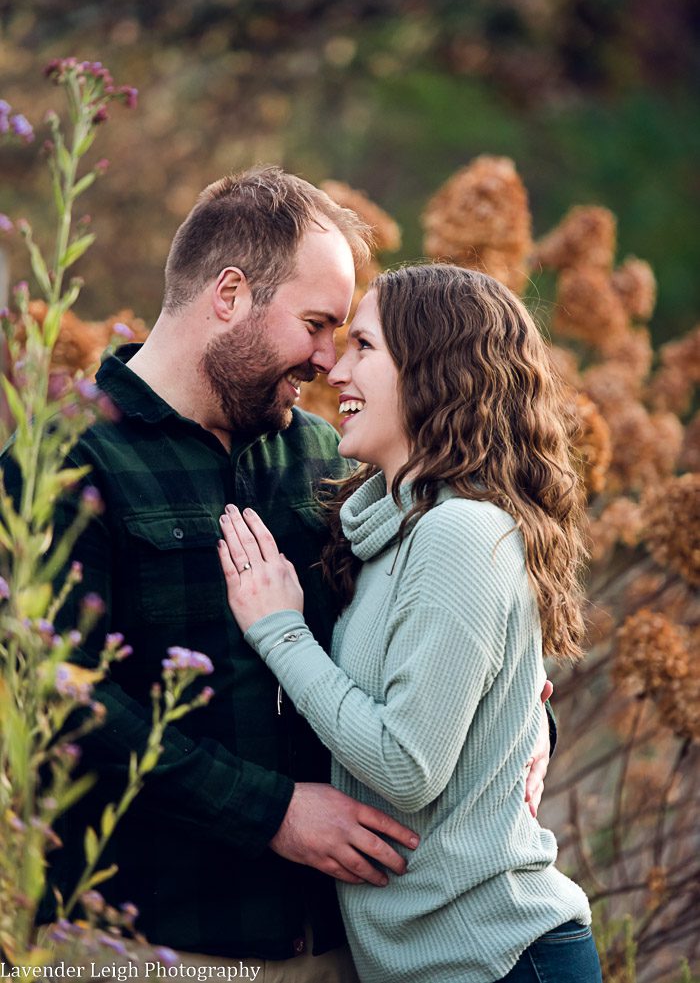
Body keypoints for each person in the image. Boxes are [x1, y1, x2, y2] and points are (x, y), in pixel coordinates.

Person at [4, 168, 552, 976]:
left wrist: (527, 728)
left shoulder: (327, 461)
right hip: (143, 945)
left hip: (337, 947)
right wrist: (273, 812)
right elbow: (53, 697)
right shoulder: (63, 461)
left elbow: (451, 622)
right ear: (230, 294)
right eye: (317, 324)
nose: (328, 360)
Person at [218, 265, 603, 983]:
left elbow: (406, 765)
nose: (335, 370)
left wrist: (280, 631)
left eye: (364, 346)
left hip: (499, 957)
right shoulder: (390, 531)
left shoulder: (460, 532)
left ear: (434, 371)